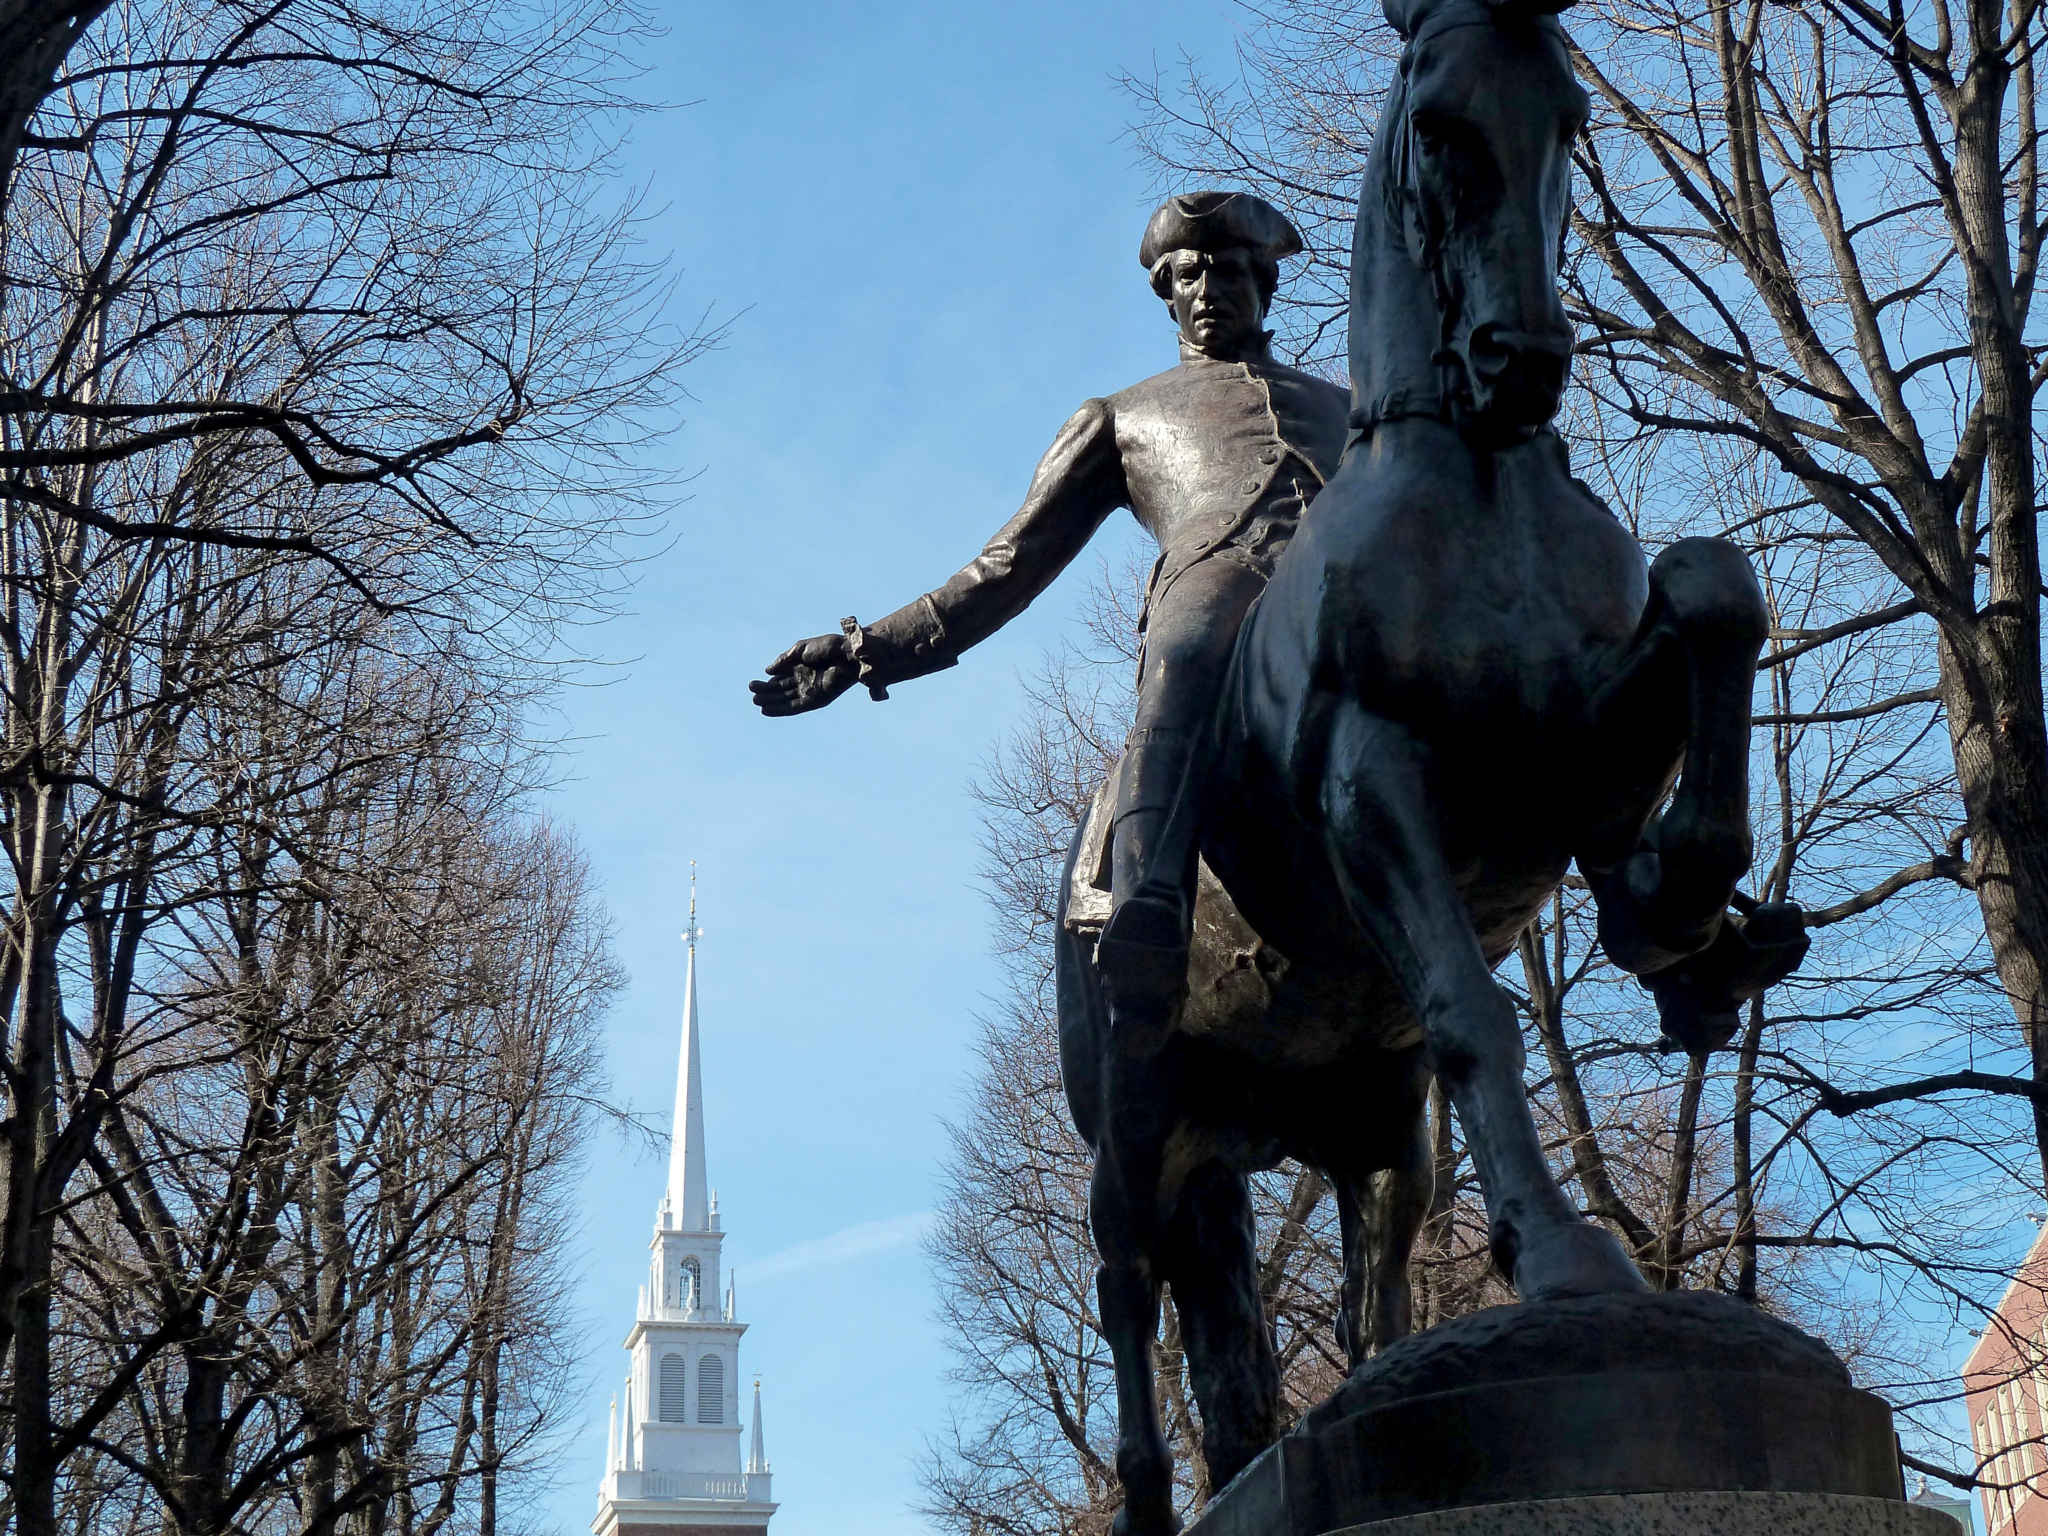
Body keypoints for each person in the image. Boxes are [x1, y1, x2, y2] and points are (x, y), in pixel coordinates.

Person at [749, 190, 1348, 1016]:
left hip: (1351, 588)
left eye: (1231, 271)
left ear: (1265, 285)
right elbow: (1008, 564)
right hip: (1217, 577)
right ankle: (1148, 902)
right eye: (1191, 273)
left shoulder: (1352, 410)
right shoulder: (1120, 418)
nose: (1210, 289)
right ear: (1167, 292)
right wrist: (865, 651)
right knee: (1187, 650)